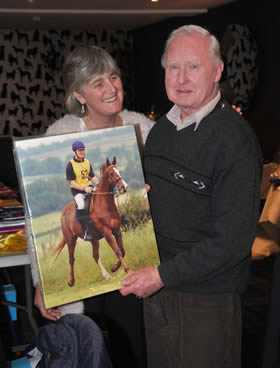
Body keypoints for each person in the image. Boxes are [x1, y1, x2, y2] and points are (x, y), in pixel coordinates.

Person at [120, 25, 263, 368]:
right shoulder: (161, 131)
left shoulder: (235, 141)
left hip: (206, 301)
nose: (181, 78)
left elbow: (232, 242)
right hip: (158, 290)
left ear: (217, 71)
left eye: (193, 66)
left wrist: (161, 275)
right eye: (173, 67)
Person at [28, 45, 154, 368]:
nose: (112, 88)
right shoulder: (60, 134)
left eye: (114, 77)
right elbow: (33, 219)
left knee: (134, 354)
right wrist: (41, 281)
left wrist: (154, 195)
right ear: (79, 95)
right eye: (98, 83)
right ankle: (86, 233)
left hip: (138, 282)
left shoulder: (145, 128)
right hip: (85, 297)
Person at [66, 140, 99, 240]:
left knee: (102, 198)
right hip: (78, 191)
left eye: (83, 150)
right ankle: (85, 231)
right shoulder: (70, 164)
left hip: (89, 187)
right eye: (80, 150)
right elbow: (72, 183)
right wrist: (85, 189)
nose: (82, 152)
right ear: (75, 151)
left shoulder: (87, 162)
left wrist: (99, 183)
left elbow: (92, 176)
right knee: (81, 205)